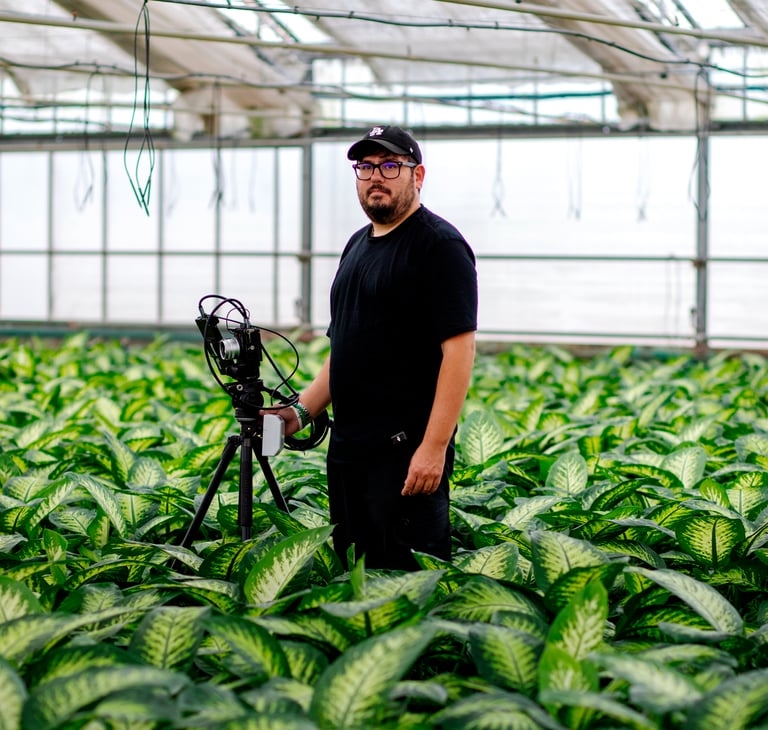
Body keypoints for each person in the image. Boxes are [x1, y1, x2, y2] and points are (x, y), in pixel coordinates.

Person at [276, 125, 477, 570]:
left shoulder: (438, 246)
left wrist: (434, 448)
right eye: (365, 167)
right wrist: (299, 412)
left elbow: (460, 353)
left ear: (417, 175)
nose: (375, 177)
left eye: (389, 166)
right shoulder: (356, 246)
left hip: (404, 455)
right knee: (354, 571)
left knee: (406, 579)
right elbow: (346, 348)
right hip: (350, 449)